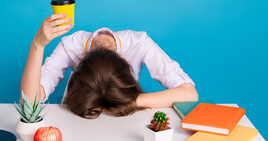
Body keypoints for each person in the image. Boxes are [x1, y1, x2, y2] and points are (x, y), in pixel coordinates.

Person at [21, 13, 198, 118]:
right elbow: (30, 103)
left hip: (123, 117)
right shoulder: (70, 46)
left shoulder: (140, 43)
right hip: (83, 116)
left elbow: (189, 94)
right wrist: (38, 45)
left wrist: (124, 102)